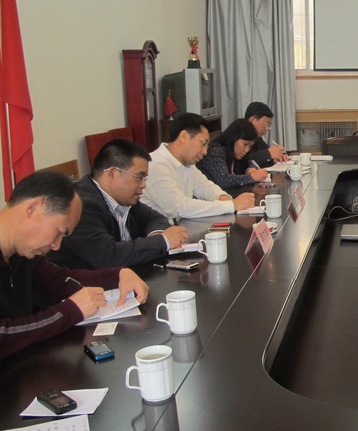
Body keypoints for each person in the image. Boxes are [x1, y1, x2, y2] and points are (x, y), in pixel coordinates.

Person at [0, 171, 149, 359]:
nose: (56, 245)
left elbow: (59, 281)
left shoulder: (21, 252)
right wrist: (69, 312)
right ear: (33, 209)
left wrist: (118, 275)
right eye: (59, 232)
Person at [48, 139, 188, 269]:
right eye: (139, 177)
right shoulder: (82, 206)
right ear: (112, 174)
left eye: (145, 179)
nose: (143, 185)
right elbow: (107, 256)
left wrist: (156, 236)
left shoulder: (124, 198)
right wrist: (163, 241)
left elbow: (155, 218)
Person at [140, 113, 255, 220]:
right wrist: (231, 205)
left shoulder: (187, 163)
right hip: (161, 232)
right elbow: (181, 208)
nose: (205, 151)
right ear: (183, 137)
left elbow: (205, 187)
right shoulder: (156, 165)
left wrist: (224, 197)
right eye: (203, 143)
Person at [197, 119, 271, 188]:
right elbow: (224, 180)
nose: (247, 150)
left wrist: (250, 169)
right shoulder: (215, 151)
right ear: (234, 138)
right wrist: (252, 177)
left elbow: (249, 162)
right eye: (245, 144)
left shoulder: (234, 152)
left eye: (250, 146)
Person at [244, 101, 289, 168]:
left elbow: (264, 155)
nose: (267, 129)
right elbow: (242, 163)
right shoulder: (239, 136)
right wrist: (268, 153)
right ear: (252, 120)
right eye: (266, 124)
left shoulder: (258, 138)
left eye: (269, 125)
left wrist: (276, 157)